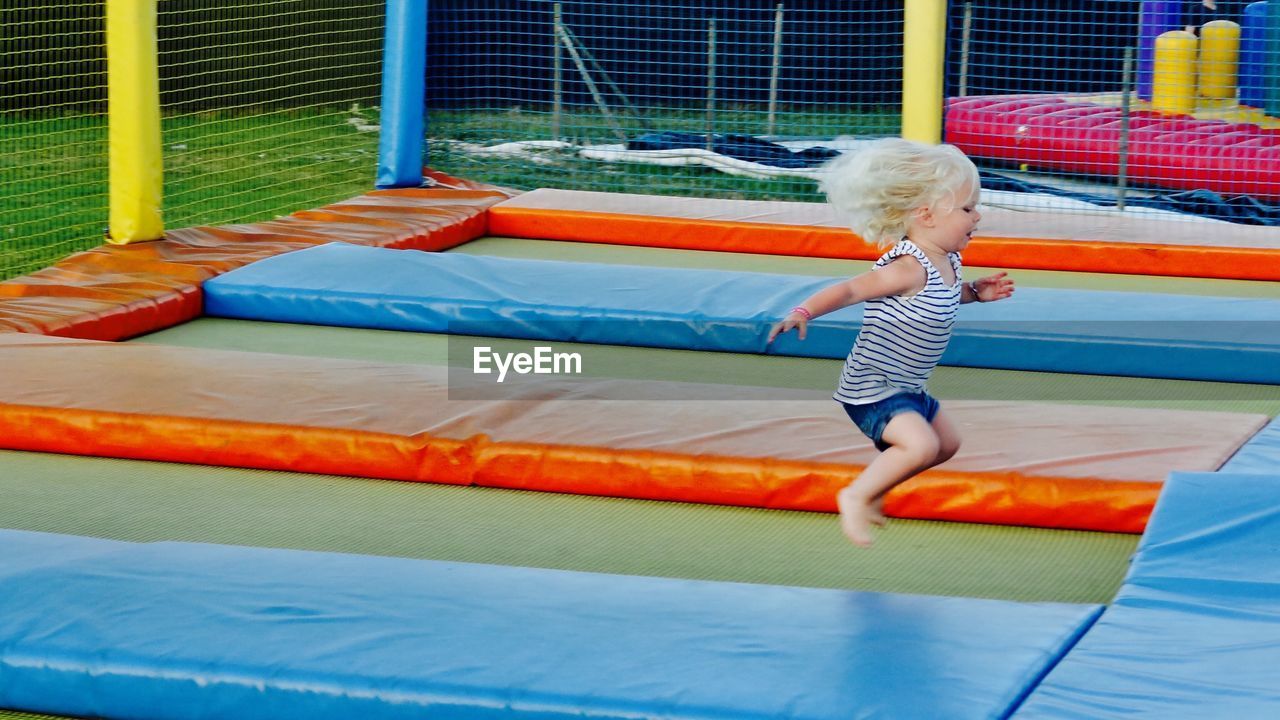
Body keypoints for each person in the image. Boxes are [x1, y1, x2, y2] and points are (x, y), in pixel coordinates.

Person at [767, 138, 1014, 548]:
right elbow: (849, 291)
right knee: (921, 446)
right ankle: (857, 494)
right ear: (926, 215)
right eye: (968, 208)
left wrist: (973, 292)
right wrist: (803, 312)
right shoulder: (907, 266)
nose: (978, 216)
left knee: (946, 445)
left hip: (909, 388)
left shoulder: (948, 261)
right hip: (873, 389)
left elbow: (944, 296)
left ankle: (876, 487)